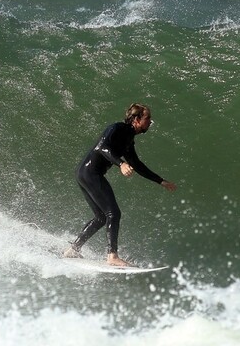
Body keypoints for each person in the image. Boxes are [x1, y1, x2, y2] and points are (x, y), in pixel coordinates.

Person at [63, 103, 177, 266]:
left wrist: (161, 181)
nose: (150, 122)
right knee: (113, 213)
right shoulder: (116, 128)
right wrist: (120, 164)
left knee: (102, 217)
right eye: (147, 118)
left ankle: (73, 250)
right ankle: (112, 256)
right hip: (90, 173)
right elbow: (102, 147)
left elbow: (137, 165)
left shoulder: (128, 141)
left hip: (85, 174)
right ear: (136, 119)